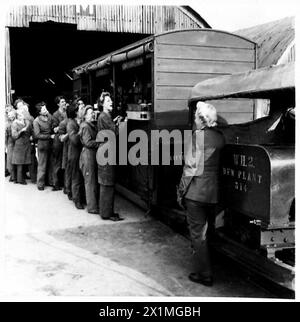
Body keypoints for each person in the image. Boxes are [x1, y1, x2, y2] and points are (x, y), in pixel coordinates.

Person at [179, 101, 225, 287]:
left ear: (202, 119)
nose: (193, 118)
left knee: (198, 234)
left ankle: (204, 274)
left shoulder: (197, 137)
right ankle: (208, 266)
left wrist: (181, 191)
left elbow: (189, 169)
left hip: (196, 194)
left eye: (196, 115)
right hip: (213, 193)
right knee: (207, 232)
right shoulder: (220, 137)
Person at [97, 92, 124, 221]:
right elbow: (115, 132)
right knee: (108, 182)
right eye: (108, 101)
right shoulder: (105, 116)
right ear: (102, 104)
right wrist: (123, 123)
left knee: (105, 182)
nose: (111, 102)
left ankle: (105, 212)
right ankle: (107, 214)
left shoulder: (104, 116)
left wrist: (114, 122)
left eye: (111, 100)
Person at [79, 106, 99, 214]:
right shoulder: (85, 126)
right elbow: (87, 142)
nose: (92, 115)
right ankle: (92, 207)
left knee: (91, 181)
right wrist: (99, 142)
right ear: (85, 115)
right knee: (90, 182)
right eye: (90, 113)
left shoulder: (90, 125)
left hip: (91, 155)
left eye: (93, 112)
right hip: (88, 155)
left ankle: (93, 205)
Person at [67, 102, 85, 209]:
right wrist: (82, 130)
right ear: (76, 112)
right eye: (82, 108)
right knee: (76, 177)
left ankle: (80, 197)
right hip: (74, 154)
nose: (83, 110)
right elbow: (74, 140)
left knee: (80, 177)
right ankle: (77, 200)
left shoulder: (80, 122)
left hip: (81, 153)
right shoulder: (71, 123)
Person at [33, 102, 54, 190]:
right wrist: (49, 136)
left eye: (46, 108)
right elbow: (37, 135)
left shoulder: (49, 116)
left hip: (50, 144)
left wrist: (48, 113)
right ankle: (40, 184)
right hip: (42, 144)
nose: (46, 110)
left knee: (50, 163)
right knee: (42, 164)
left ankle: (49, 181)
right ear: (39, 112)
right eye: (44, 109)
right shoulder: (36, 121)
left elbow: (53, 121)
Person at [11, 109, 32, 184]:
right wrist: (21, 131)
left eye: (22, 114)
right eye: (19, 115)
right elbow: (14, 136)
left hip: (26, 143)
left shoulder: (27, 122)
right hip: (19, 145)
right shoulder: (15, 123)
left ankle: (22, 177)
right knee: (19, 163)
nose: (21, 116)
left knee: (25, 161)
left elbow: (30, 130)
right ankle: (19, 179)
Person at [51, 96, 67, 191]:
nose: (64, 103)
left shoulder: (67, 112)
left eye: (64, 101)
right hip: (58, 141)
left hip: (66, 140)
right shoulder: (55, 115)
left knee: (64, 162)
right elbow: (54, 129)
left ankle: (64, 184)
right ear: (58, 104)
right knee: (57, 162)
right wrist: (62, 127)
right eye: (62, 101)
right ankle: (55, 183)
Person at [5, 108, 17, 182]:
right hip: (10, 142)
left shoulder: (17, 122)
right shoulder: (7, 124)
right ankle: (12, 175)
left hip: (17, 142)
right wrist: (6, 146)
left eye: (12, 114)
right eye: (9, 115)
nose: (11, 116)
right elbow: (5, 136)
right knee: (10, 160)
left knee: (16, 159)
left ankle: (16, 175)